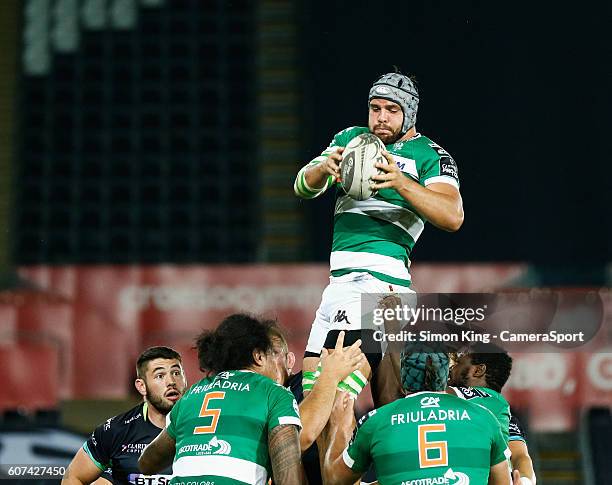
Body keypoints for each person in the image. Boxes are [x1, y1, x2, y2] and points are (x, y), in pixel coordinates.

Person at [294, 70, 464, 404]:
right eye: (375, 108)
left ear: (409, 113)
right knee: (313, 399)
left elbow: (452, 216)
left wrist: (401, 183)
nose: (381, 117)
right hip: (338, 288)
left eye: (391, 109)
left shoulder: (431, 155)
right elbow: (302, 185)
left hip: (381, 287)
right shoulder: (350, 139)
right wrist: (323, 169)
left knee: (340, 401)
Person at [138, 314, 306, 485]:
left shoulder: (190, 395)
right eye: (273, 355)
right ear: (259, 356)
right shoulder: (275, 394)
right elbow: (289, 479)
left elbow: (146, 463)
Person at [322, 349, 511, 485]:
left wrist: (340, 424)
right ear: (446, 378)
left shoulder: (375, 420)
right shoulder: (485, 418)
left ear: (403, 380)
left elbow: (334, 480)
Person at [62, 346, 187, 485]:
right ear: (142, 386)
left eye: (176, 373)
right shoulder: (116, 430)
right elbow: (73, 477)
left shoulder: (204, 424)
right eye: (160, 376)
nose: (171, 382)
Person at [448, 344, 537, 485]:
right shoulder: (506, 416)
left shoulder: (467, 395)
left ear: (478, 370)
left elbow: (423, 387)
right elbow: (521, 457)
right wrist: (525, 481)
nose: (452, 366)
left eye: (459, 361)